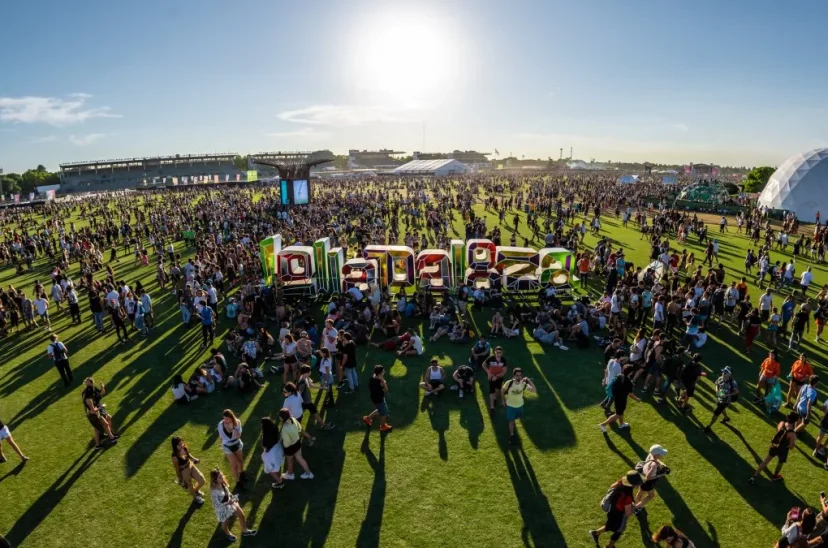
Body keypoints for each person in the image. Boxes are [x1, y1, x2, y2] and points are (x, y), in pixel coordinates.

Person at [589, 470, 642, 548]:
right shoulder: (627, 496)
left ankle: (595, 533)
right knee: (619, 530)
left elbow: (612, 486)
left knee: (610, 525)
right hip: (618, 513)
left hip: (612, 508)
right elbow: (628, 513)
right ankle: (609, 546)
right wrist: (635, 507)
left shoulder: (622, 481)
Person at [209, 469, 258, 542]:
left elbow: (227, 492)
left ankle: (245, 531)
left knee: (241, 515)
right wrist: (229, 502)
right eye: (219, 477)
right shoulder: (214, 492)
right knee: (226, 522)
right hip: (222, 508)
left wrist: (232, 497)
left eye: (222, 475)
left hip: (230, 502)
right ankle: (227, 533)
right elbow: (217, 505)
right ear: (215, 479)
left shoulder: (222, 483)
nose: (222, 477)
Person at [749, 413, 798, 484]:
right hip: (783, 449)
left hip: (775, 445)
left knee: (765, 461)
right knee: (780, 463)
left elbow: (778, 431)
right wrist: (793, 442)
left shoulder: (782, 423)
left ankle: (754, 476)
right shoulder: (792, 434)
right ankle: (775, 476)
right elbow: (791, 447)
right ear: (795, 421)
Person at [599, 365, 640, 433]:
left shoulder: (619, 376)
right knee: (617, 414)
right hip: (621, 400)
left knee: (620, 412)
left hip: (617, 397)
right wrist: (637, 399)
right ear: (631, 372)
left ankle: (621, 424)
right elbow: (630, 394)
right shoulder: (628, 382)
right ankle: (603, 425)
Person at [633, 444, 670, 515]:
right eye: (660, 454)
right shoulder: (654, 465)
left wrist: (663, 465)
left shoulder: (651, 455)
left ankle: (636, 504)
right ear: (656, 455)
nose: (662, 455)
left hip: (642, 478)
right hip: (648, 482)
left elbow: (657, 460)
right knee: (651, 496)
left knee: (640, 492)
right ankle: (636, 507)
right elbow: (648, 477)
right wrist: (661, 474)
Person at [278, 408, 314, 480]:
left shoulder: (285, 429)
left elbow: (287, 443)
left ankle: (290, 474)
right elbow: (299, 428)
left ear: (282, 418)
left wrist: (284, 447)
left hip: (290, 447)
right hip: (297, 443)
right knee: (300, 458)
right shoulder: (293, 419)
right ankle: (309, 473)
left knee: (289, 461)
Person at [502, 368, 536, 445]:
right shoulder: (509, 383)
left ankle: (513, 425)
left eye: (520, 375)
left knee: (516, 418)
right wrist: (503, 400)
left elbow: (534, 390)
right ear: (514, 376)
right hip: (510, 406)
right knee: (511, 421)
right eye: (517, 375)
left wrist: (529, 381)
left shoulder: (523, 384)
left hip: (520, 406)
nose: (518, 377)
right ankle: (511, 435)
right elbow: (503, 390)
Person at [82, 377, 118, 448]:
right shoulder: (89, 398)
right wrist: (102, 406)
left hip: (97, 410)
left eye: (91, 383)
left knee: (102, 425)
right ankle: (111, 437)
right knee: (102, 426)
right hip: (94, 414)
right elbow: (92, 410)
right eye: (88, 383)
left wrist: (102, 387)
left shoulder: (92, 389)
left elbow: (101, 393)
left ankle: (102, 441)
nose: (91, 385)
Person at [297, 364, 335, 431]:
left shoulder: (305, 378)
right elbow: (299, 394)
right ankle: (323, 426)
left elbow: (311, 385)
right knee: (302, 416)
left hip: (306, 402)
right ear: (306, 372)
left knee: (314, 413)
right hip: (305, 402)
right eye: (310, 371)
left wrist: (322, 388)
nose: (310, 372)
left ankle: (323, 425)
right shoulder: (302, 383)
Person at [703, 367, 739, 433]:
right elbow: (717, 384)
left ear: (729, 374)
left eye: (725, 372)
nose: (723, 373)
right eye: (723, 372)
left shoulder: (733, 382)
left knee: (716, 413)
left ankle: (709, 426)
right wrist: (717, 391)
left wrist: (728, 395)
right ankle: (726, 418)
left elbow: (736, 392)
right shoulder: (720, 378)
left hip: (726, 400)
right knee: (721, 408)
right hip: (720, 397)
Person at [171, 436, 205, 504]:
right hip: (183, 471)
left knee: (202, 480)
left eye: (182, 443)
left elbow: (188, 455)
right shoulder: (174, 456)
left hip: (190, 465)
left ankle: (196, 490)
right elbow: (177, 469)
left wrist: (194, 458)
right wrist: (180, 479)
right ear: (175, 446)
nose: (182, 445)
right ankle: (195, 497)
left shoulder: (184, 448)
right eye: (179, 445)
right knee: (189, 485)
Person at [218, 409, 245, 485]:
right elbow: (221, 436)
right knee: (234, 465)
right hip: (227, 446)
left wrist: (233, 428)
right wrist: (223, 443)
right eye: (224, 418)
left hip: (236, 443)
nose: (225, 420)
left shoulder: (237, 422)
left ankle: (241, 473)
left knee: (240, 461)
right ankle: (237, 481)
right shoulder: (220, 424)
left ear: (231, 417)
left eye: (227, 419)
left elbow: (238, 436)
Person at [363, 365, 392, 432]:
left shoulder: (373, 377)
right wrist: (383, 381)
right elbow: (386, 389)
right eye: (383, 371)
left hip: (374, 397)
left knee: (379, 409)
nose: (384, 371)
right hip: (379, 399)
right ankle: (382, 426)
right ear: (380, 373)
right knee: (384, 413)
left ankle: (367, 418)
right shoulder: (380, 382)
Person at [260, 417, 285, 490]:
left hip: (272, 453)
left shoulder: (265, 436)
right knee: (278, 465)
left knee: (271, 470)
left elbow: (264, 446)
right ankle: (279, 477)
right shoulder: (275, 428)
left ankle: (280, 482)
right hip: (278, 448)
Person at [483, 346, 508, 412]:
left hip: (499, 378)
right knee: (491, 391)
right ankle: (492, 407)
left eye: (499, 353)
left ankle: (495, 399)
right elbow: (483, 365)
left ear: (502, 353)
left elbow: (504, 371)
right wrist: (489, 373)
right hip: (491, 377)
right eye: (497, 352)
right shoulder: (491, 358)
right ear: (495, 352)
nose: (498, 354)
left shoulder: (503, 360)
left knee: (497, 390)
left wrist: (496, 376)